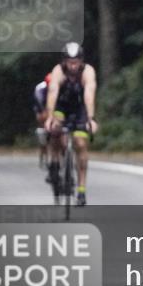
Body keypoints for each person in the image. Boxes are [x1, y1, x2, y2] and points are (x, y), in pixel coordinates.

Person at [44, 42, 99, 206]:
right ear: (64, 61)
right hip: (61, 108)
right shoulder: (58, 71)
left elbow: (89, 93)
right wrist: (49, 117)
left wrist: (90, 118)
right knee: (55, 130)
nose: (73, 66)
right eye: (70, 62)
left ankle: (81, 190)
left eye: (76, 62)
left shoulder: (88, 72)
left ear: (81, 61)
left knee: (80, 143)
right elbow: (53, 92)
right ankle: (54, 162)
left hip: (80, 109)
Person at [32, 73, 51, 151]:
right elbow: (39, 103)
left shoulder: (60, 86)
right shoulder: (40, 88)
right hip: (41, 104)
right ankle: (42, 141)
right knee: (42, 117)